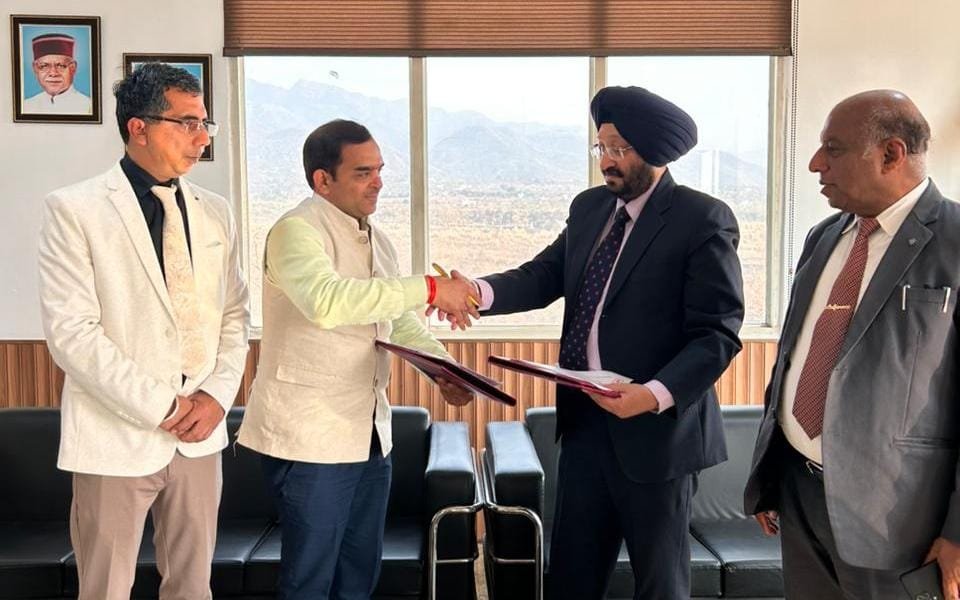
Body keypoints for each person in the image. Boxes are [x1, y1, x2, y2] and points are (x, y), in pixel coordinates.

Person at [446, 86, 744, 599]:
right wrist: (476, 291)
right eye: (601, 147)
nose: (606, 160)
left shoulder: (702, 218)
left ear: (654, 151)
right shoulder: (589, 208)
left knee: (660, 586)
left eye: (619, 149)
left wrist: (652, 394)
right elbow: (544, 275)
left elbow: (717, 333)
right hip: (585, 428)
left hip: (657, 439)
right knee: (572, 578)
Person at [237, 119, 478, 600]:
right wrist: (432, 288)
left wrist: (443, 370)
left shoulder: (378, 240)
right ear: (322, 179)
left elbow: (396, 320)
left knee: (359, 573)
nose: (378, 182)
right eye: (363, 172)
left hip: (370, 435)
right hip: (311, 439)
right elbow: (327, 303)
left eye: (380, 170)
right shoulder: (295, 231)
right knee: (309, 580)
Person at [37, 63, 249, 599]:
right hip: (116, 435)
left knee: (193, 588)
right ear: (139, 127)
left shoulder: (216, 212)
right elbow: (73, 333)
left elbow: (234, 314)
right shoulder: (75, 209)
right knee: (105, 589)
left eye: (205, 124)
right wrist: (164, 407)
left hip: (200, 437)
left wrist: (216, 398)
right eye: (188, 123)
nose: (202, 138)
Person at [744, 90, 960, 599]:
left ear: (891, 154)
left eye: (833, 149)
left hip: (899, 522)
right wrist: (771, 473)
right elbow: (794, 359)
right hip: (800, 495)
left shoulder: (955, 241)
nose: (816, 164)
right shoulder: (824, 237)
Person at [23, 32, 93, 115]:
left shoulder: (88, 107)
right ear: (35, 69)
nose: (53, 73)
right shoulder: (26, 106)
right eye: (44, 66)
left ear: (72, 68)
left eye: (61, 65)